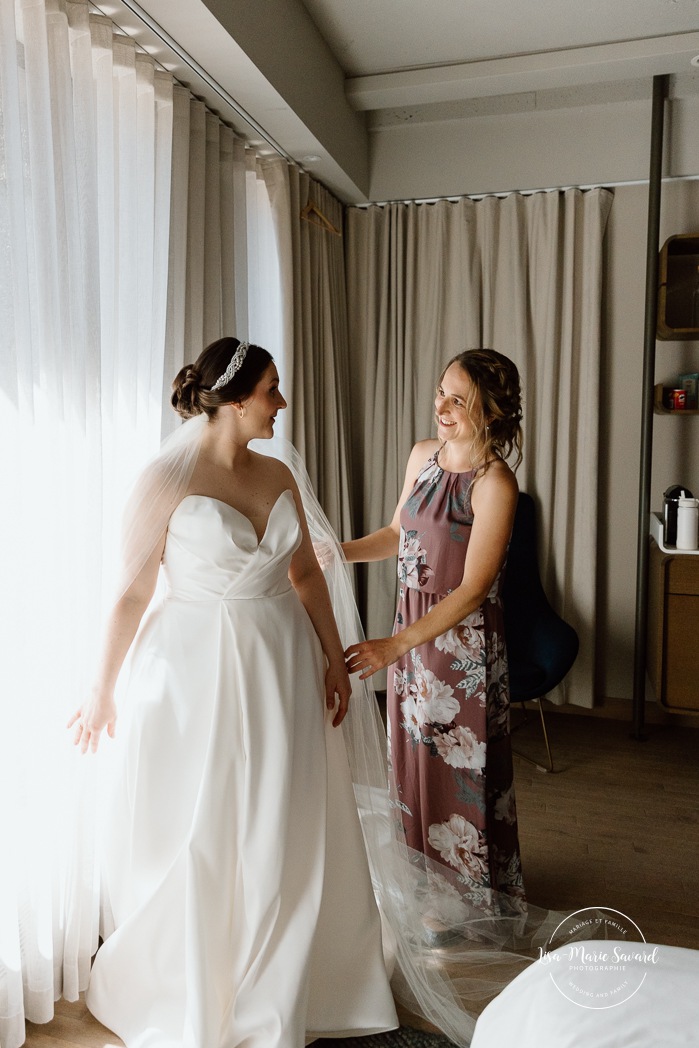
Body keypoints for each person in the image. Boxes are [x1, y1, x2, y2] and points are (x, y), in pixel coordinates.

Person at [67, 337, 398, 1048]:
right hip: (194, 673)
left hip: (280, 663)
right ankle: (196, 980)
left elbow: (306, 573)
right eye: (272, 389)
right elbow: (131, 592)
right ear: (236, 398)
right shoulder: (165, 479)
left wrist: (331, 660)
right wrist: (101, 690)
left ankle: (288, 974)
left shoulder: (278, 474)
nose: (280, 402)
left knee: (285, 815)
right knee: (207, 824)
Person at [344, 349, 526, 919]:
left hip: (460, 646)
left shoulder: (495, 484)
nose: (440, 408)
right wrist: (338, 552)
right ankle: (424, 889)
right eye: (440, 392)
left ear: (490, 411)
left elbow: (474, 589)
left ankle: (464, 907)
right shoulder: (423, 456)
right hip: (411, 630)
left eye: (457, 400)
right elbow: (400, 535)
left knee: (457, 771)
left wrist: (394, 646)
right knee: (413, 764)